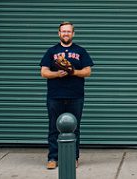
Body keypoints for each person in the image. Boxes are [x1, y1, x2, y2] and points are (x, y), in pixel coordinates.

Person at [40, 21, 93, 170]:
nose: (66, 34)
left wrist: (73, 72)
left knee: (75, 128)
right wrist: (57, 73)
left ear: (73, 34)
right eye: (63, 31)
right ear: (59, 33)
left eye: (68, 31)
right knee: (53, 127)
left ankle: (73, 158)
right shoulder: (51, 51)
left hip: (76, 96)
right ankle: (53, 158)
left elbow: (88, 71)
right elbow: (43, 72)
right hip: (55, 96)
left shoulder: (80, 51)